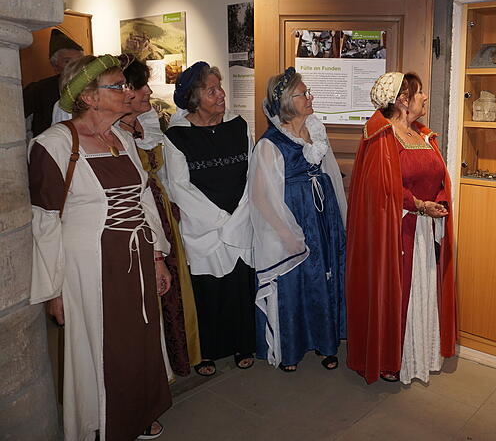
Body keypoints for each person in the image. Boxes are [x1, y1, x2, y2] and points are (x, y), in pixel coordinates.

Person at [28, 54, 172, 441]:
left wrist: (157, 256)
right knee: (103, 346)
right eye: (118, 86)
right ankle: (105, 422)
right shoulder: (54, 144)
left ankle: (140, 410)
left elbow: (142, 199)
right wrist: (54, 290)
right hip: (90, 268)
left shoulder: (122, 138)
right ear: (89, 98)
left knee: (139, 340)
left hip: (136, 259)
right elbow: (44, 221)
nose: (128, 92)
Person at [346, 71, 457, 384]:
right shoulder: (381, 138)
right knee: (396, 293)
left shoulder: (422, 135)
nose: (424, 97)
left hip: (425, 231)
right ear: (402, 101)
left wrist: (437, 201)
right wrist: (419, 205)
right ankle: (390, 358)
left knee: (423, 289)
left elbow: (437, 177)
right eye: (418, 93)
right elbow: (381, 190)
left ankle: (420, 354)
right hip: (396, 233)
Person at [249, 67, 347, 371]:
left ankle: (325, 341)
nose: (310, 97)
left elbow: (329, 172)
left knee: (325, 276)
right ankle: (291, 348)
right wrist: (288, 235)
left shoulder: (316, 130)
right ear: (288, 102)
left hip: (321, 217)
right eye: (303, 93)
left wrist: (338, 220)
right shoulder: (269, 144)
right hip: (293, 220)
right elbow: (261, 197)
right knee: (297, 281)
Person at [163, 61, 255, 377]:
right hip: (203, 228)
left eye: (220, 87)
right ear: (193, 97)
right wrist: (219, 219)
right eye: (211, 90)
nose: (221, 95)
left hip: (240, 221)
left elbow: (251, 175)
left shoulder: (240, 126)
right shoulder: (176, 137)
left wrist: (238, 215)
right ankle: (208, 351)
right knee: (208, 290)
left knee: (239, 286)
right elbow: (179, 187)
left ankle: (245, 343)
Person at [121, 59, 202, 376]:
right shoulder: (115, 133)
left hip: (161, 209)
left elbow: (163, 171)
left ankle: (177, 356)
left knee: (174, 284)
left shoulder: (148, 121)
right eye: (141, 86)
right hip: (137, 217)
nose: (149, 91)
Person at [23, 28, 84, 137]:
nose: (75, 66)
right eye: (68, 61)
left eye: (79, 61)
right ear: (55, 66)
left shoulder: (91, 87)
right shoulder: (37, 90)